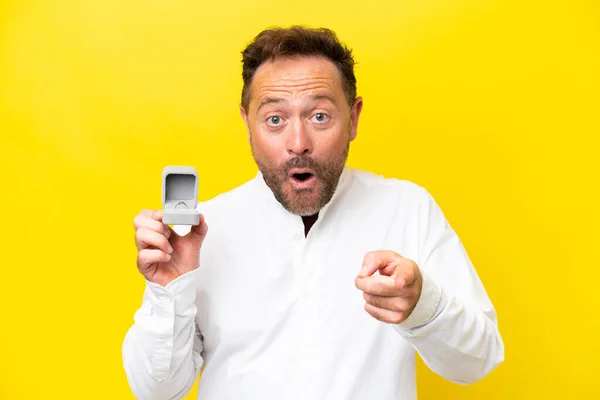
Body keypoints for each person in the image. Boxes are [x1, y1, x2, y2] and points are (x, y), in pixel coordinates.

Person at [122, 26, 504, 400]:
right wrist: (169, 291)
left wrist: (422, 305)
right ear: (247, 124)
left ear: (353, 119)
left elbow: (477, 362)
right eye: (275, 119)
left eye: (319, 116)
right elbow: (157, 392)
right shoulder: (200, 235)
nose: (298, 144)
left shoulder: (408, 209)